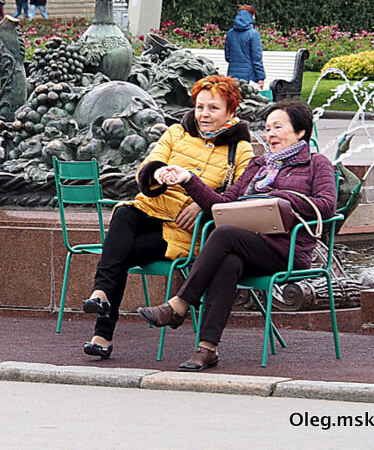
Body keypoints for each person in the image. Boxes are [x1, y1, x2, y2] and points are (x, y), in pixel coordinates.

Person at [142, 100, 336, 371]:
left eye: (278, 127)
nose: (270, 134)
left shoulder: (317, 163)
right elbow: (222, 203)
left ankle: (179, 305)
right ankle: (207, 349)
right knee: (228, 262)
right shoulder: (258, 165)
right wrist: (188, 179)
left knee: (225, 235)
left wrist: (280, 198)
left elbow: (327, 206)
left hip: (287, 251)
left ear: (301, 132)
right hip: (248, 244)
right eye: (267, 128)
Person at [81, 75, 253, 359]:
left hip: (185, 231)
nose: (204, 114)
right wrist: (157, 174)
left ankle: (101, 334)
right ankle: (99, 296)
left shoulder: (241, 149)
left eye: (213, 108)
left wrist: (202, 205)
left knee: (119, 254)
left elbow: (238, 198)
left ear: (230, 111)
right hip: (152, 209)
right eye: (200, 107)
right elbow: (147, 169)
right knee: (124, 212)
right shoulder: (175, 133)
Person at [224, 4, 265, 89]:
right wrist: (261, 77)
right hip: (249, 77)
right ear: (251, 16)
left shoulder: (230, 33)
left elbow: (227, 57)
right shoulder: (254, 34)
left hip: (232, 76)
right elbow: (257, 59)